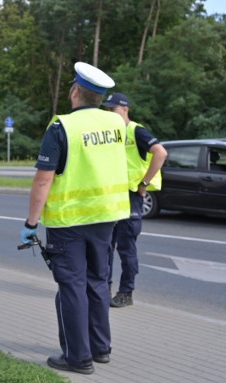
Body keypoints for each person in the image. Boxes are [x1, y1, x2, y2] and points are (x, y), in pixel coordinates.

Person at [20, 62, 130, 375]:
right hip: (107, 217)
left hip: (68, 223)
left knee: (72, 286)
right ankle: (100, 348)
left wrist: (30, 224)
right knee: (98, 282)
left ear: (75, 92)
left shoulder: (61, 127)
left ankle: (77, 358)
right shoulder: (117, 124)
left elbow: (43, 181)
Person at [102, 93, 168, 308]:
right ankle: (103, 290)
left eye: (113, 110)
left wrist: (144, 183)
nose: (109, 113)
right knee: (105, 247)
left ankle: (126, 292)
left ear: (124, 109)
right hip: (111, 196)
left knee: (126, 248)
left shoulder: (135, 131)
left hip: (131, 197)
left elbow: (160, 153)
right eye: (107, 109)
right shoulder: (110, 133)